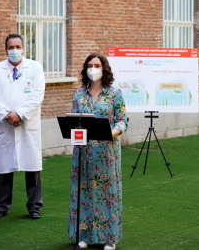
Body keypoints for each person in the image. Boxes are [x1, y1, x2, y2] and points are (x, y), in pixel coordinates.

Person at [68, 53, 128, 250]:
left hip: (106, 152)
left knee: (107, 192)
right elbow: (74, 120)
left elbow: (123, 120)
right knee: (84, 190)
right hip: (83, 152)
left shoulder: (114, 93)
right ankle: (84, 236)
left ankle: (109, 239)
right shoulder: (79, 94)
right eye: (90, 65)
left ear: (104, 69)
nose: (93, 68)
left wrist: (112, 132)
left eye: (97, 65)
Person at [0, 33, 45, 220]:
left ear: (23, 48)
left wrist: (19, 114)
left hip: (27, 123)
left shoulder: (34, 68)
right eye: (11, 47)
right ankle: (1, 206)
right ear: (6, 50)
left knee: (32, 165)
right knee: (4, 166)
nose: (15, 51)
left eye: (18, 47)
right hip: (5, 125)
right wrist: (7, 115)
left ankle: (34, 206)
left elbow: (37, 95)